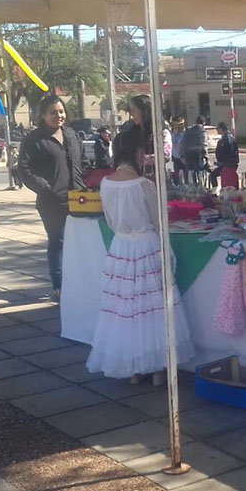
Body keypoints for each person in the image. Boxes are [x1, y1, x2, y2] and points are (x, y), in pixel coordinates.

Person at [86, 131, 195, 385]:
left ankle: (136, 367)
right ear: (136, 154)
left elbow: (111, 221)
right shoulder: (144, 185)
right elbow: (159, 221)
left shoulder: (107, 183)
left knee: (127, 308)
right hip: (146, 245)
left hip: (121, 247)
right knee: (153, 307)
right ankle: (157, 368)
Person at [18, 95, 87, 301]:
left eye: (61, 111)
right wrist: (44, 187)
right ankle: (59, 286)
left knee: (79, 243)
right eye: (53, 113)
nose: (59, 116)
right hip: (52, 202)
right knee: (58, 241)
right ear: (43, 115)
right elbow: (24, 169)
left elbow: (82, 160)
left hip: (78, 198)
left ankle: (79, 282)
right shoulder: (34, 140)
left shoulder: (71, 134)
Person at [211, 121, 239, 188]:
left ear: (221, 128)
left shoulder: (226, 139)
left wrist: (221, 163)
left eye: (218, 128)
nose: (217, 130)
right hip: (231, 164)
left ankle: (215, 191)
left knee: (213, 175)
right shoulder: (231, 137)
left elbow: (229, 153)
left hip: (227, 165)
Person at [181, 115, 208, 183]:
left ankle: (191, 187)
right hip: (198, 155)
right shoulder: (202, 131)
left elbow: (183, 143)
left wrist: (182, 155)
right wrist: (207, 158)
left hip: (188, 155)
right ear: (204, 123)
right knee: (199, 174)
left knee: (190, 174)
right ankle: (199, 188)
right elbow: (204, 145)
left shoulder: (188, 130)